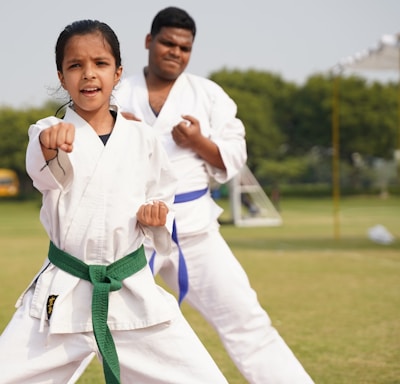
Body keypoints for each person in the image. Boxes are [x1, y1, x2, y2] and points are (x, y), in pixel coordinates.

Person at [0, 19, 229, 384]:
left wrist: (155, 219)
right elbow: (44, 171)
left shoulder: (142, 138)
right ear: (61, 77)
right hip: (63, 294)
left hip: (131, 291)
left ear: (118, 72)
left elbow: (162, 201)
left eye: (100, 64)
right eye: (75, 65)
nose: (88, 75)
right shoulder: (49, 131)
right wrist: (49, 142)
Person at [113, 7, 316, 384]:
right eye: (168, 43)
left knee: (246, 319)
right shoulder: (117, 93)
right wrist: (120, 133)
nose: (176, 52)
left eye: (184, 48)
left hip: (195, 230)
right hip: (131, 230)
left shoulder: (209, 95)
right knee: (96, 322)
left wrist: (197, 141)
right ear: (149, 42)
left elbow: (235, 157)